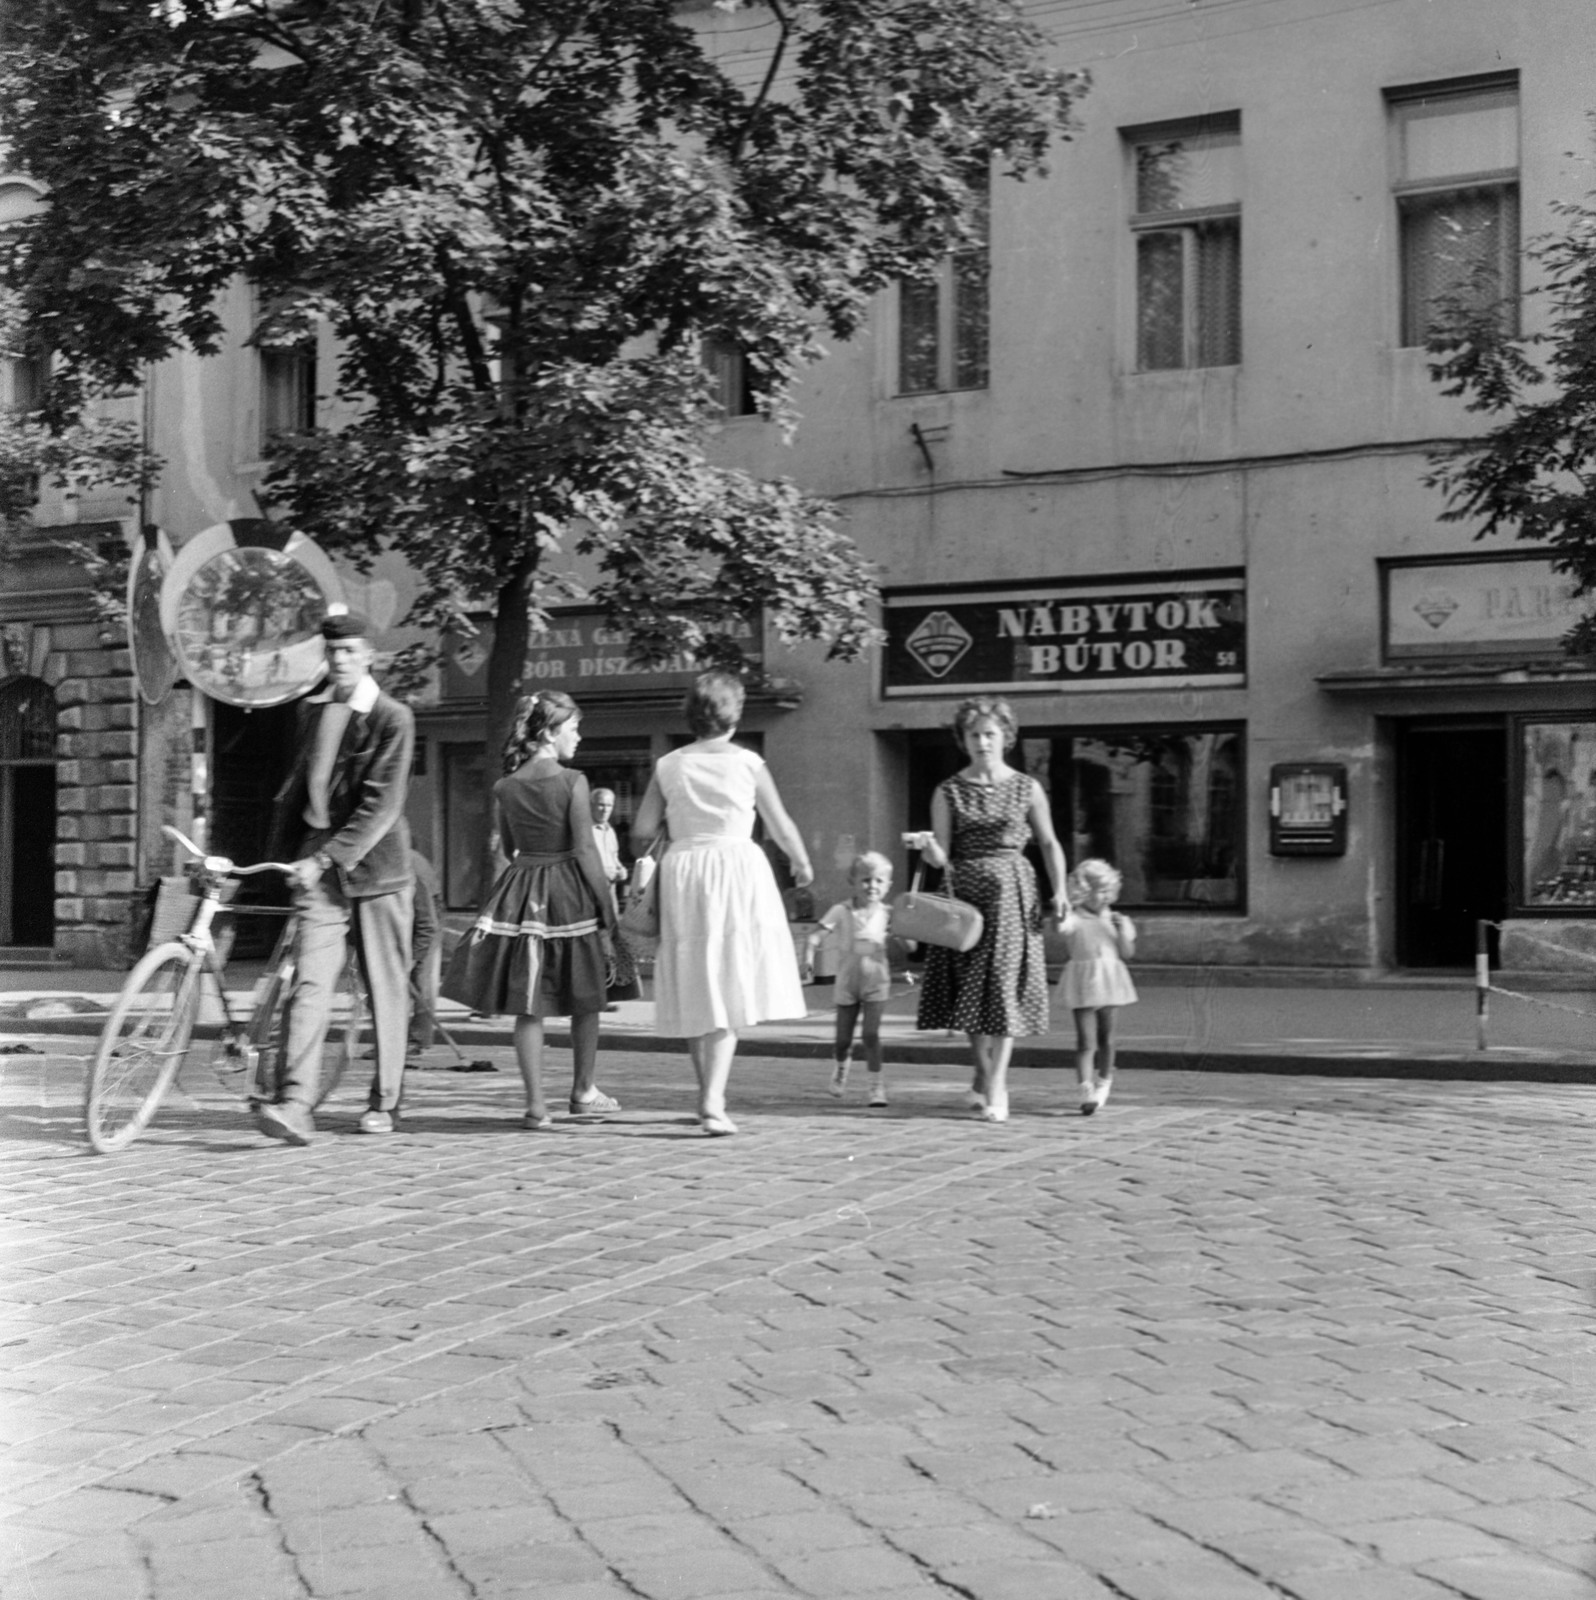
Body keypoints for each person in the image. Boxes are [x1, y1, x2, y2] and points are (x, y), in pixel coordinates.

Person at [631, 671, 813, 1136]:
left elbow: (642, 830)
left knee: (697, 981)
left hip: (686, 868)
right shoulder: (748, 762)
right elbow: (781, 822)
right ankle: (713, 1100)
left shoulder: (669, 764)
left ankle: (705, 1094)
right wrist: (800, 863)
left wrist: (683, 821)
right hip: (735, 866)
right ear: (734, 714)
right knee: (730, 979)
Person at [258, 607, 415, 1144]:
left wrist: (325, 857)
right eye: (332, 652)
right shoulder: (312, 712)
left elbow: (382, 805)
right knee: (310, 984)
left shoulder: (393, 717)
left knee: (384, 990)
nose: (340, 661)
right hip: (317, 863)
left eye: (350, 652)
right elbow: (297, 787)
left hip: (376, 872)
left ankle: (385, 1101)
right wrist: (288, 853)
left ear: (369, 656)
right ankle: (297, 1103)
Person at [441, 691, 619, 1128]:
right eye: (573, 728)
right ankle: (583, 1091)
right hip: (568, 891)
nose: (578, 738)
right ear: (549, 732)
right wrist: (607, 912)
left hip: (522, 888)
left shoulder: (506, 785)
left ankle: (536, 1105)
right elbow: (583, 849)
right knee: (587, 995)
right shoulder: (572, 781)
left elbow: (511, 843)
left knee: (529, 1001)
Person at [907, 696, 1069, 1124]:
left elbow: (1049, 843)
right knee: (968, 990)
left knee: (1004, 987)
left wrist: (1062, 892)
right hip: (964, 898)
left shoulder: (1027, 787)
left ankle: (996, 1083)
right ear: (963, 740)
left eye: (990, 734)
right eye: (974, 735)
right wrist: (928, 849)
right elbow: (941, 855)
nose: (983, 742)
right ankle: (982, 1071)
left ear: (1006, 737)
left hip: (1014, 896)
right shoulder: (948, 790)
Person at [801, 851, 900, 1107]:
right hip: (847, 982)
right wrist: (808, 957)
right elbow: (815, 936)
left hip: (876, 983)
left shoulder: (889, 914)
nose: (872, 886)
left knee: (870, 1035)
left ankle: (876, 1086)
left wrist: (904, 931)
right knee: (843, 1040)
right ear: (852, 882)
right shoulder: (841, 910)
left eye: (879, 881)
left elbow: (911, 945)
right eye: (866, 880)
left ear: (888, 885)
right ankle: (841, 1067)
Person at [1056, 859, 1138, 1115]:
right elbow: (1061, 927)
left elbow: (1128, 952)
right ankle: (1085, 1088)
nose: (1104, 897)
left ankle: (1104, 1082)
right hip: (1082, 982)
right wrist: (1060, 910)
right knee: (1085, 1041)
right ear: (1082, 892)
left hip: (1109, 981)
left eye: (1107, 891)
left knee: (1108, 1038)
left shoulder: (1116, 919)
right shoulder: (1075, 918)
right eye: (1098, 891)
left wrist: (1121, 931)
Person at [591, 785, 639, 1004]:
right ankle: (600, 994)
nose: (604, 810)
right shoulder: (586, 831)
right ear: (592, 805)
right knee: (599, 941)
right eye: (600, 804)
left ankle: (609, 992)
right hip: (592, 893)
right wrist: (607, 871)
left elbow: (613, 857)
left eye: (609, 805)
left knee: (611, 940)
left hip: (610, 892)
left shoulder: (609, 831)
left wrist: (621, 869)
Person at [407, 847, 443, 1057]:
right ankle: (390, 1040)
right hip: (403, 915)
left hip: (427, 916)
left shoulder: (409, 867)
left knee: (421, 979)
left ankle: (418, 1039)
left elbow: (427, 925)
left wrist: (414, 957)